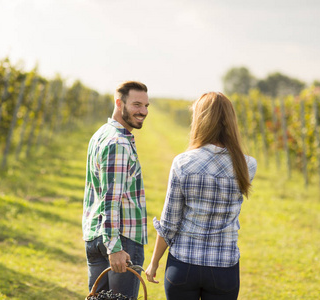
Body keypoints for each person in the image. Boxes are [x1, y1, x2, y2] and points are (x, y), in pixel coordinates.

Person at [145, 92, 257, 300]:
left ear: (200, 120)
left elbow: (170, 223)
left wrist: (154, 262)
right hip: (224, 267)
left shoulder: (183, 163)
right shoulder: (248, 165)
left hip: (184, 264)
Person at [82, 81, 150, 298]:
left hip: (97, 235)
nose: (143, 111)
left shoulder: (101, 133)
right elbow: (111, 199)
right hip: (120, 239)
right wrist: (114, 247)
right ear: (119, 103)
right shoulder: (118, 143)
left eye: (146, 106)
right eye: (137, 104)